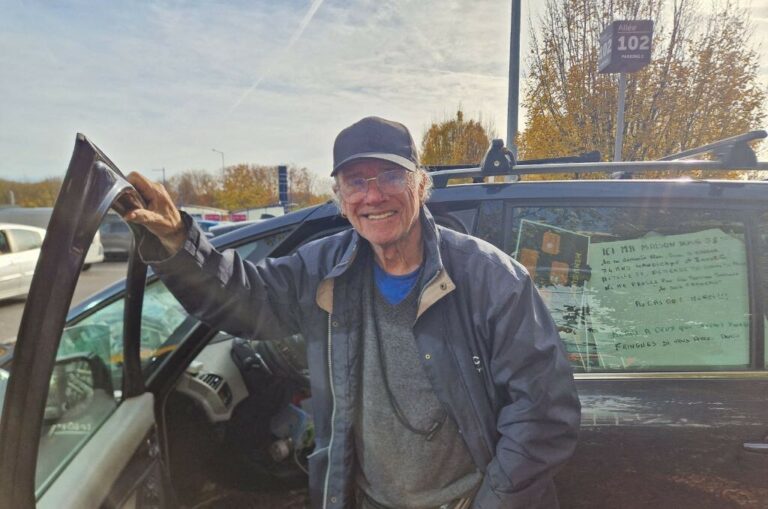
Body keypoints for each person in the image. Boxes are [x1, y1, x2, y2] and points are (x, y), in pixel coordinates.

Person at [125, 116, 580, 509]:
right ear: (341, 198)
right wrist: (180, 244)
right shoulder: (322, 269)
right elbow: (248, 298)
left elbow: (543, 414)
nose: (373, 195)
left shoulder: (492, 279)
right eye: (356, 182)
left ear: (420, 184)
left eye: (389, 176)